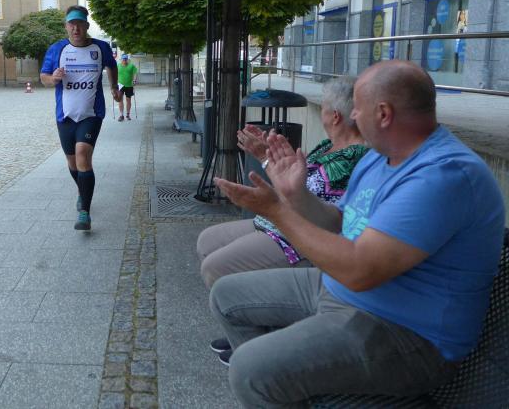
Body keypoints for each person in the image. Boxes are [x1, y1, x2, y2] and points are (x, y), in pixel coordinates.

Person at [211, 60, 505, 406]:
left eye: (357, 109)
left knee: (250, 370)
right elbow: (339, 222)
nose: (352, 116)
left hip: (407, 335)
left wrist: (277, 210)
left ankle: (278, 384)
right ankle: (289, 389)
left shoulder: (443, 175)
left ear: (383, 114)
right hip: (342, 292)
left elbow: (359, 271)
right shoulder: (380, 157)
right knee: (225, 296)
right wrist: (295, 195)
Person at [197, 77, 368, 359]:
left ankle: (256, 344)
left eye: (324, 108)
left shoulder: (353, 157)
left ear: (335, 116)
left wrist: (271, 186)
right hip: (278, 223)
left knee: (215, 267)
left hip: (296, 237)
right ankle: (245, 321)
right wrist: (266, 156)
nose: (322, 114)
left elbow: (313, 207)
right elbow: (293, 185)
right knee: (207, 241)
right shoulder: (329, 146)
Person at [40, 5, 120, 231]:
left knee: (83, 154)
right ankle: (82, 190)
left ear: (86, 26)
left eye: (80, 24)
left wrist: (114, 87)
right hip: (64, 115)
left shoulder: (101, 47)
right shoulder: (57, 49)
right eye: (71, 24)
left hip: (91, 114)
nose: (76, 29)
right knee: (72, 162)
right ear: (66, 27)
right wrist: (53, 78)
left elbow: (111, 65)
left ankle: (85, 212)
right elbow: (43, 77)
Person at [116, 53, 138, 121]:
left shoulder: (131, 66)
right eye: (123, 59)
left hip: (129, 85)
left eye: (126, 59)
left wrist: (134, 80)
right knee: (120, 100)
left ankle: (128, 114)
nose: (125, 60)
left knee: (128, 100)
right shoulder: (118, 65)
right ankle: (121, 115)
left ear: (127, 59)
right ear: (121, 59)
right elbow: (114, 74)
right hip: (120, 85)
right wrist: (113, 83)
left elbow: (135, 73)